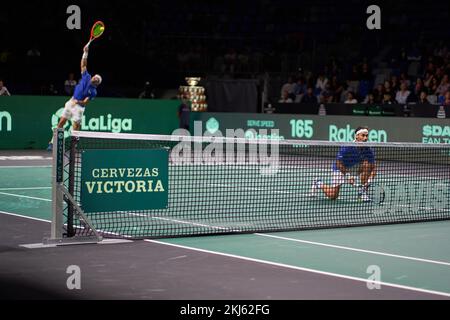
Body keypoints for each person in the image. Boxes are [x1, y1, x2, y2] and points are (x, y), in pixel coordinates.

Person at [47, 43, 102, 151]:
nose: (95, 78)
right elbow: (83, 65)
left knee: (76, 126)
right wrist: (85, 52)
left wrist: (78, 102)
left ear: (97, 83)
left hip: (79, 108)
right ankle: (52, 142)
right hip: (71, 101)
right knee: (61, 122)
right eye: (96, 77)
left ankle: (74, 146)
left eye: (98, 80)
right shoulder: (86, 77)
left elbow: (85, 102)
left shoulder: (93, 91)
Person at [310, 127, 376, 202]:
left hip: (354, 168)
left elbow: (373, 168)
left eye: (367, 136)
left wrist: (369, 181)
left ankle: (363, 192)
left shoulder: (368, 149)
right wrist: (348, 176)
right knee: (333, 195)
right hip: (340, 168)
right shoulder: (347, 146)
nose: (365, 138)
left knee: (367, 165)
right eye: (363, 135)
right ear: (357, 136)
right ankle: (318, 183)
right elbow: (338, 163)